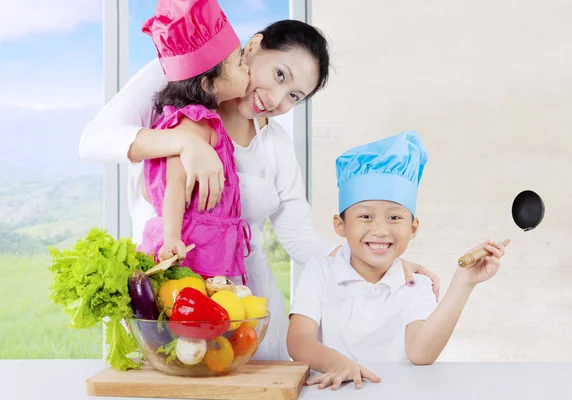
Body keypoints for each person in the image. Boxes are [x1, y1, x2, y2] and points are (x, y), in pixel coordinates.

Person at [79, 16, 440, 360]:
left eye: (294, 96)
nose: (276, 99)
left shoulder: (277, 146)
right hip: (165, 300)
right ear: (253, 47)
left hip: (246, 311)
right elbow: (94, 141)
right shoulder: (182, 81)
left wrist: (380, 257)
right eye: (279, 74)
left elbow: (299, 241)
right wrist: (186, 145)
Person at [287, 131, 509, 390]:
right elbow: (298, 342)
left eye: (394, 218)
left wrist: (464, 283)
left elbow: (421, 354)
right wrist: (338, 363)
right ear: (341, 225)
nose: (381, 230)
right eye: (365, 217)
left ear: (413, 228)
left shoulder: (418, 285)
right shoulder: (320, 272)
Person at [135, 0, 251, 283]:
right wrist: (172, 237)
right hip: (191, 246)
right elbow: (175, 181)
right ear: (208, 84)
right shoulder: (194, 122)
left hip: (207, 244)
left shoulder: (204, 120)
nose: (247, 67)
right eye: (239, 62)